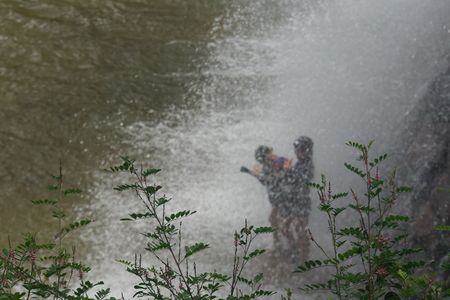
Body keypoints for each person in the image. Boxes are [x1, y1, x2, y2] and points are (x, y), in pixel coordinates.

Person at [240, 145, 292, 249]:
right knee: (274, 220)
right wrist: (251, 173)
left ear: (268, 155)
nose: (262, 162)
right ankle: (279, 243)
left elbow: (279, 177)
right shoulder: (267, 166)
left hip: (285, 199)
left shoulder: (279, 162)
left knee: (281, 225)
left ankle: (292, 246)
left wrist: (253, 173)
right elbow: (265, 181)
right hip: (277, 200)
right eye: (260, 160)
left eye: (263, 158)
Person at [282, 136, 314, 262]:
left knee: (300, 231)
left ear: (306, 150)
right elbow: (292, 181)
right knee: (286, 228)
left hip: (302, 202)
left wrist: (288, 171)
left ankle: (304, 259)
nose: (296, 152)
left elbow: (300, 180)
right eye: (296, 149)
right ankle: (294, 251)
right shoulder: (301, 163)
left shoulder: (308, 164)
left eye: (299, 149)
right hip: (294, 201)